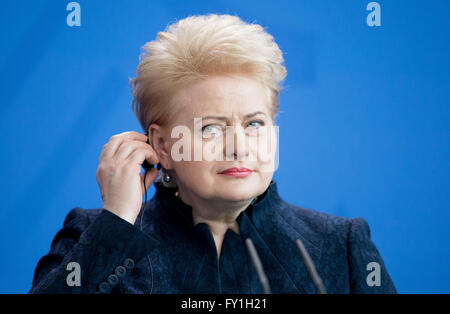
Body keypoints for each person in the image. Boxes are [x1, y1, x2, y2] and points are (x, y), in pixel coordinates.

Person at [29, 14, 396, 294]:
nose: (239, 146)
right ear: (160, 146)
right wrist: (117, 225)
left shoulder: (339, 244)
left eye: (254, 123)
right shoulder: (92, 234)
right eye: (210, 128)